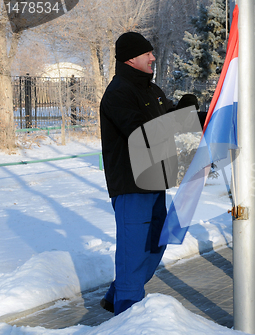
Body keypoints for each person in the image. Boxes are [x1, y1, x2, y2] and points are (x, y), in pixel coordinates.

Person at [99, 32, 175, 315]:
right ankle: (127, 315)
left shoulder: (152, 91)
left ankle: (116, 295)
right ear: (131, 58)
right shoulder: (118, 92)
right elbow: (141, 133)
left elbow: (169, 120)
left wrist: (198, 114)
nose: (153, 57)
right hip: (131, 185)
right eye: (148, 54)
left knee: (157, 243)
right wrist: (182, 119)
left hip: (156, 180)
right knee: (133, 251)